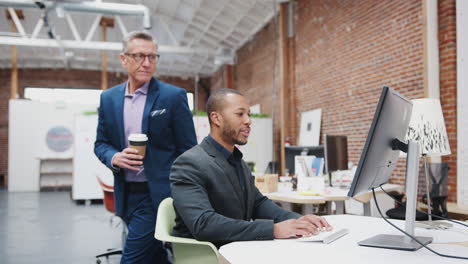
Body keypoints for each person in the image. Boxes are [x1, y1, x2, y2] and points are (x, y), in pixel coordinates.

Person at [170, 88, 332, 248]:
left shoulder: (237, 161)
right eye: (240, 114)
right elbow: (203, 224)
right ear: (216, 118)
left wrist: (298, 220)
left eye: (249, 114)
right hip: (208, 254)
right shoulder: (189, 164)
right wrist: (273, 229)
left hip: (237, 247)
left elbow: (257, 204)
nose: (248, 120)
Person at [94, 31, 197, 263]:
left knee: (131, 258)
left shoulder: (172, 96)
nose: (147, 63)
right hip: (126, 193)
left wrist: (182, 192)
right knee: (155, 255)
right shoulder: (108, 99)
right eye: (140, 56)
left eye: (152, 57)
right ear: (124, 59)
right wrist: (114, 157)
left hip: (158, 195)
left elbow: (189, 150)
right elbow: (101, 143)